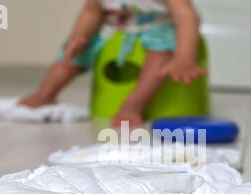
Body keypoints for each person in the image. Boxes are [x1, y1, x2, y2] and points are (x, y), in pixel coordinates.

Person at [19, 0, 207, 127]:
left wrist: (184, 56)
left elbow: (187, 17)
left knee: (161, 47)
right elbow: (91, 12)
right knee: (72, 50)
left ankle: (133, 106)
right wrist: (78, 37)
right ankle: (44, 94)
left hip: (158, 26)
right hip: (115, 28)